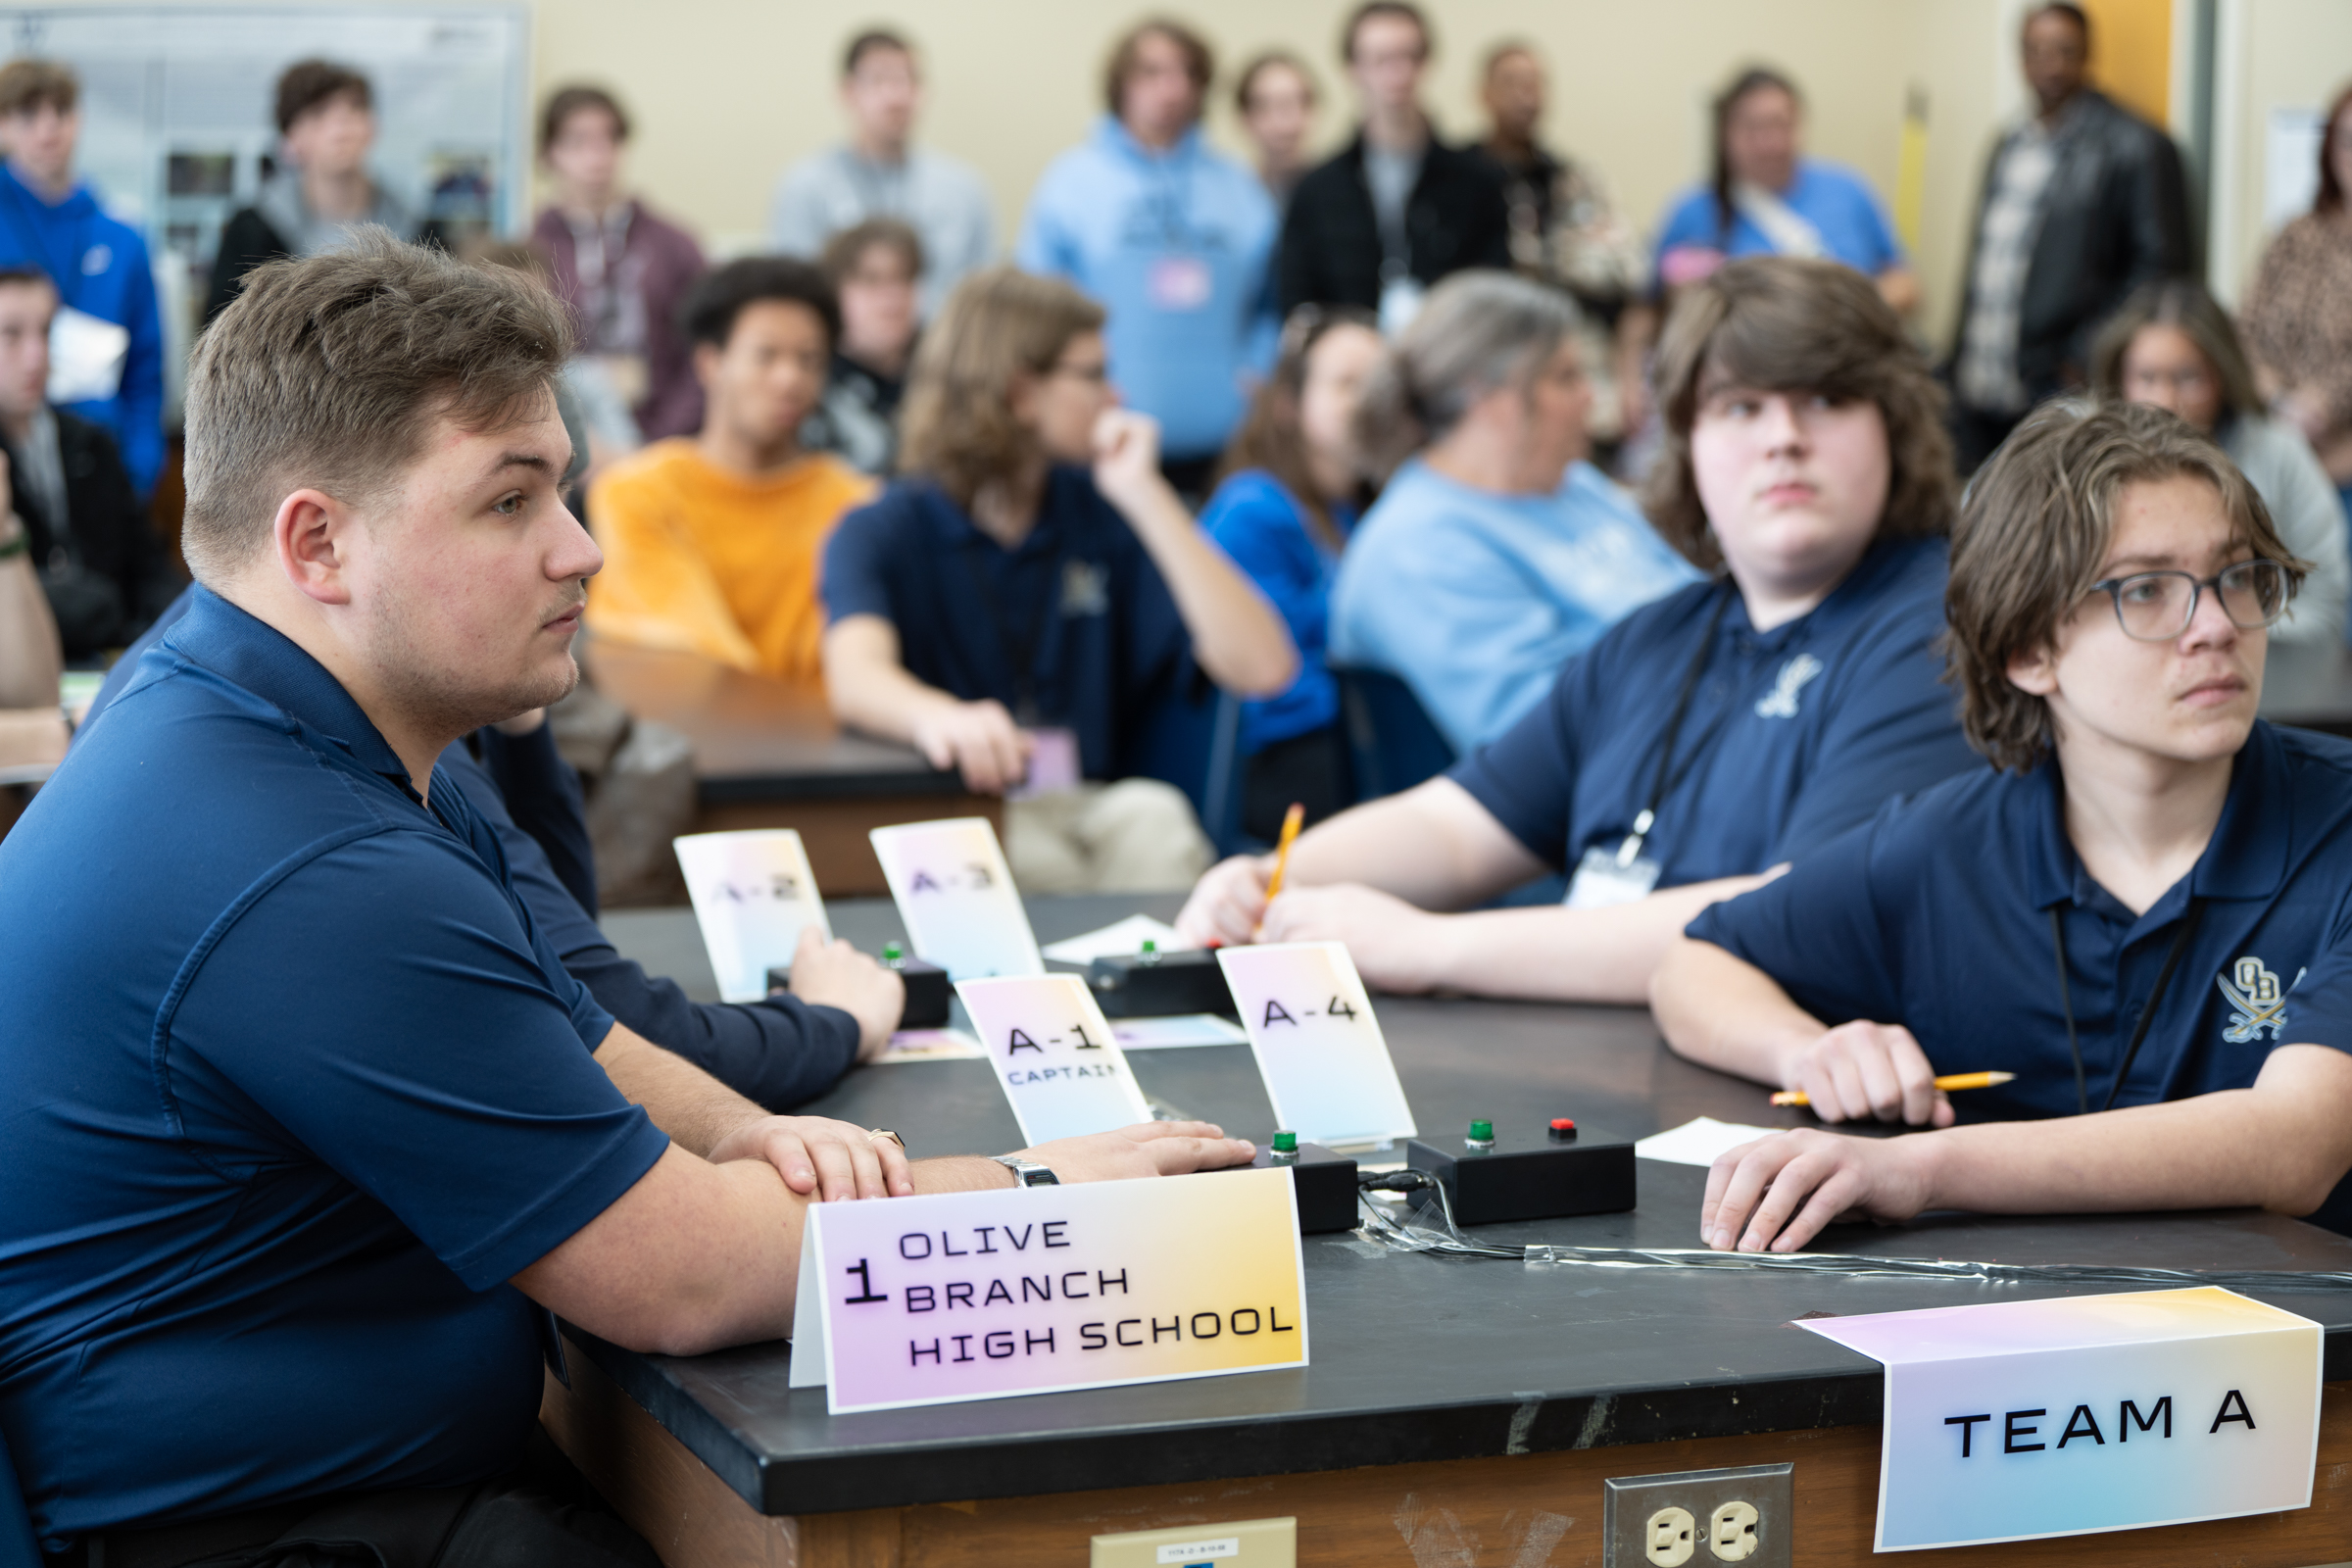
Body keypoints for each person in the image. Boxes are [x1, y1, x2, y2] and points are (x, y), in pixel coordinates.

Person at [0, 231, 1257, 1561]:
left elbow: (578, 1030)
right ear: (318, 544)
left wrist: (746, 1136)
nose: (582, 550)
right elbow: (681, 1277)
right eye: (510, 501)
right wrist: (1034, 1187)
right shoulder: (308, 865)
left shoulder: (258, 703)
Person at [1179, 258, 1979, 1004]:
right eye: (1740, 408)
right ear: (1689, 445)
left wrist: (1429, 946)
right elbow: (1457, 827)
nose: (1783, 439)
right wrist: (1270, 877)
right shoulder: (1657, 639)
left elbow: (1794, 913)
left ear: (1894, 427)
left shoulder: (1934, 636)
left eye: (1827, 401)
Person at [1654, 400, 2352, 1253]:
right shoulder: (1941, 846)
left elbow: (2294, 1146)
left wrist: (1922, 1169)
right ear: (2028, 651)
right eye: (2146, 590)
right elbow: (1696, 964)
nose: (2216, 628)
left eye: (2238, 576)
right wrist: (1809, 1051)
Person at [821, 267, 1298, 893]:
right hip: (966, 808)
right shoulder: (883, 528)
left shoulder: (1106, 511)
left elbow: (1264, 667)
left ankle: (1171, 991)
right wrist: (940, 717)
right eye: (1093, 374)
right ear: (1020, 393)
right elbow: (855, 676)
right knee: (1030, 858)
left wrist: (1148, 497)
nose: (1116, 396)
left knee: (1154, 818)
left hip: (1090, 799)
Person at [1327, 271, 1695, 754]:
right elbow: (1546, 742)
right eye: (1566, 377)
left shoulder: (1573, 485)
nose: (1590, 395)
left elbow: (1708, 610)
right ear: (1489, 400)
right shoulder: (1419, 549)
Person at [1017, 19, 1278, 498]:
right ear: (1121, 84)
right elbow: (1036, 316)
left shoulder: (1238, 187)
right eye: (1152, 72)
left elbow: (1272, 302)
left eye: (1186, 74)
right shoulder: (1071, 183)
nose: (1171, 89)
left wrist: (1257, 372)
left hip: (1223, 449)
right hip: (1101, 445)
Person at [585, 257, 874, 683]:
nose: (789, 378)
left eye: (810, 360)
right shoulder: (638, 492)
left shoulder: (855, 504)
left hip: (829, 743)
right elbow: (686, 645)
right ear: (710, 362)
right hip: (687, 738)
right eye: (766, 355)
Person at [1947, 2, 2191, 472]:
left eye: (2065, 51)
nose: (2050, 65)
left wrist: (2084, 356)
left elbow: (2160, 272)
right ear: (2020, 59)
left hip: (2059, 388)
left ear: (2087, 55)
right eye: (2036, 51)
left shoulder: (2135, 146)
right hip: (1983, 387)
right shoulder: (2008, 143)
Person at [1201, 304, 1383, 839]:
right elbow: (1274, 686)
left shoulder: (1360, 510)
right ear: (1288, 404)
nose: (1371, 400)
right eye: (1348, 384)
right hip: (1282, 756)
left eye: (1382, 383)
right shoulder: (1252, 508)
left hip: (1350, 738)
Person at [2092, 278, 2349, 644]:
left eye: (2188, 377)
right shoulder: (2078, 448)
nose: (2165, 400)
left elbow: (2323, 609)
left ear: (2223, 377)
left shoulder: (2279, 454)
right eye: (2147, 378)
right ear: (2119, 380)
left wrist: (2216, 632)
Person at [1277, 1, 1511, 330]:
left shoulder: (1478, 182)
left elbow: (1494, 293)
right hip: (1353, 367)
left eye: (1409, 57)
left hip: (1448, 362)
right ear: (1353, 68)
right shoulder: (1317, 191)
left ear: (1426, 63)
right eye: (1380, 59)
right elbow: (1299, 304)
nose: (1397, 74)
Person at [0, 59, 165, 499]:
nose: (48, 128)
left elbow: (145, 373)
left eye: (62, 111)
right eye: (28, 113)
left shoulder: (122, 238)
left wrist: (139, 469)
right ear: (3, 126)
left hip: (103, 467)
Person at [1475, 40, 1652, 449]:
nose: (1526, 96)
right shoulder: (1460, 181)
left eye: (1535, 84)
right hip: (1495, 377)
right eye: (1512, 84)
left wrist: (1630, 380)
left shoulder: (1574, 182)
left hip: (1583, 373)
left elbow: (1632, 282)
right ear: (1483, 94)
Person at [0, 266, 177, 659]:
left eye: (46, 332)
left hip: (112, 658)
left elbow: (148, 563)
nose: (36, 356)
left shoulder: (91, 442)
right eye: (11, 334)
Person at [1652, 68, 1915, 318]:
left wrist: (1844, 312)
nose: (1770, 143)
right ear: (1724, 134)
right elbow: (1647, 312)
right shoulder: (1691, 211)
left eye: (1781, 124)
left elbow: (1907, 286)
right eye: (1754, 128)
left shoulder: (1850, 190)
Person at [769, 28, 995, 318]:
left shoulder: (964, 190)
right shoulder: (803, 188)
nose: (897, 97)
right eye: (879, 81)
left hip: (940, 352)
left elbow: (982, 297)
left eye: (908, 80)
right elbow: (796, 297)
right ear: (848, 92)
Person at [532, 84, 710, 443]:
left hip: (668, 439)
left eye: (609, 140)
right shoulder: (528, 250)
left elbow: (707, 348)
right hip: (565, 450)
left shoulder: (675, 245)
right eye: (577, 142)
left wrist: (670, 436)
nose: (597, 158)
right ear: (548, 154)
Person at [205, 60, 416, 323]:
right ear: (291, 135)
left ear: (373, 126)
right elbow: (221, 333)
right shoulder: (252, 231)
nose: (342, 124)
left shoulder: (415, 230)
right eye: (319, 113)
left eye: (356, 107)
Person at [2240, 80, 2352, 521]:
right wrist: (2284, 401)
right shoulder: (2296, 235)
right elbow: (2243, 334)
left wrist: (2326, 403)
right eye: (2348, 140)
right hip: (2276, 459)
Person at [804, 218, 924, 475]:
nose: (893, 297)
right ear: (834, 293)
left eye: (904, 278)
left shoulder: (942, 373)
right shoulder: (811, 384)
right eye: (871, 280)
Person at [1234, 50, 1319, 208]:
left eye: (1295, 103)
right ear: (1244, 117)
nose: (1282, 123)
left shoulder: (1340, 189)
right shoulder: (1227, 194)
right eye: (1266, 106)